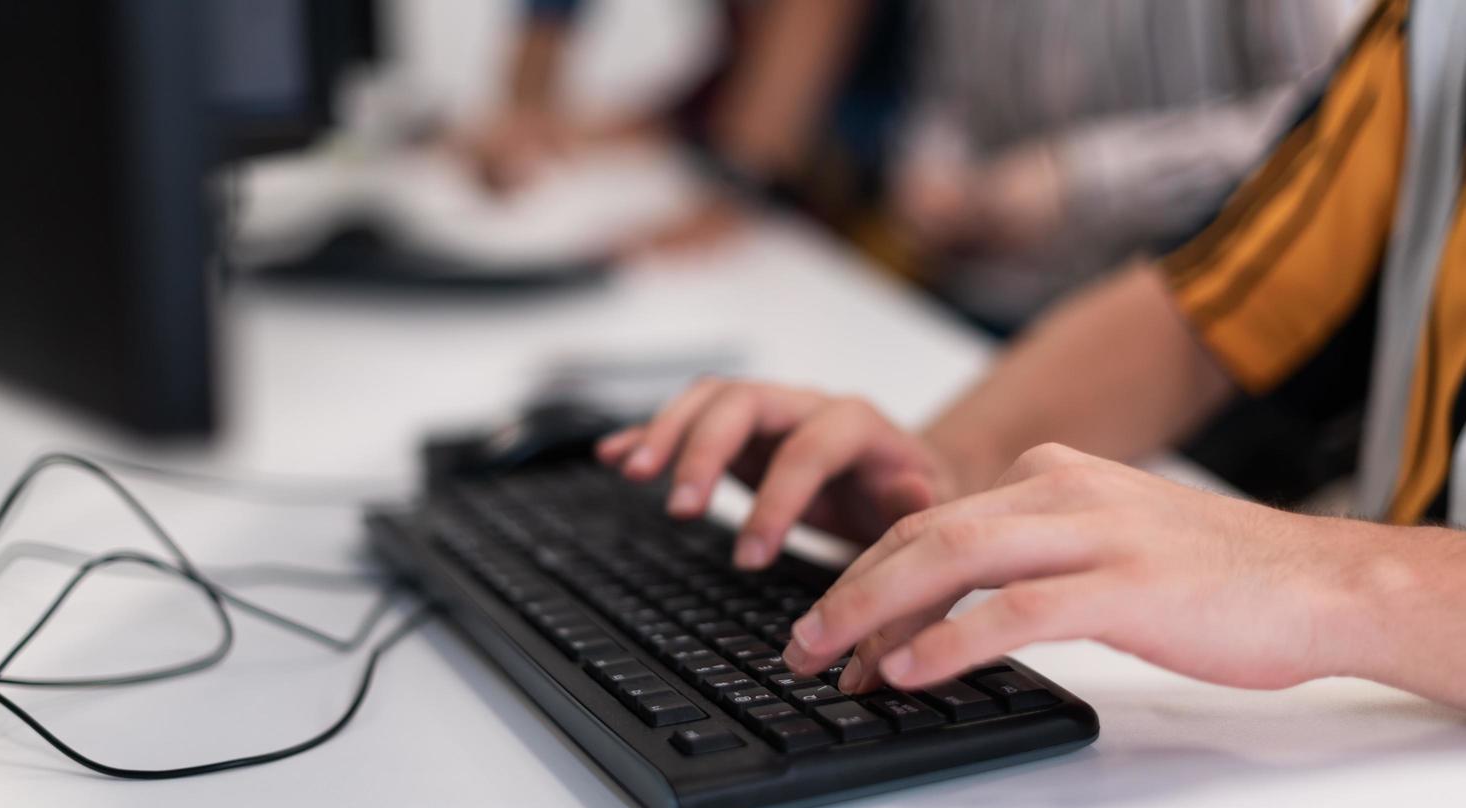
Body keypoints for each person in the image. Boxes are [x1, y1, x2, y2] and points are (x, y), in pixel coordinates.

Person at [596, 0, 1466, 709]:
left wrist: (1327, 578)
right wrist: (945, 471)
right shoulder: (1430, 26)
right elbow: (1223, 298)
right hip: (1394, 746)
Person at [891, 0, 1358, 332]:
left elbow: (1322, 119)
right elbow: (950, 91)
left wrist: (1083, 177)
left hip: (1173, 331)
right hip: (978, 293)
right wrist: (931, 165)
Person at [458, 0, 899, 255]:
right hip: (754, 122)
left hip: (867, 177)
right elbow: (549, 16)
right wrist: (525, 117)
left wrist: (739, 181)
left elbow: (815, 14)